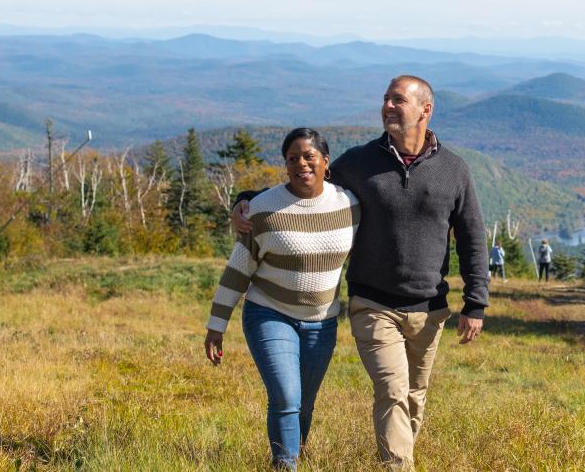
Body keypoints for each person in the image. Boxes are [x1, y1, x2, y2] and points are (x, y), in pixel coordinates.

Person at [232, 75, 489, 468]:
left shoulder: (454, 170)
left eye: (397, 100)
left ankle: (398, 452)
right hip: (372, 303)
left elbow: (472, 237)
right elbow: (304, 183)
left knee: (414, 396)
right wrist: (248, 199)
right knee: (391, 389)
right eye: (386, 98)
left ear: (425, 110)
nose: (387, 105)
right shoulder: (359, 162)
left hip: (430, 307)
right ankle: (397, 466)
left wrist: (476, 304)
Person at [204, 128, 359, 471]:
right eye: (293, 159)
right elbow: (237, 271)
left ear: (326, 162)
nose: (302, 164)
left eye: (309, 156)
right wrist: (217, 326)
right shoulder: (262, 209)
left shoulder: (350, 206)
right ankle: (284, 464)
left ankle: (294, 454)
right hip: (269, 314)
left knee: (304, 403)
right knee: (287, 397)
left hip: (323, 322)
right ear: (285, 165)